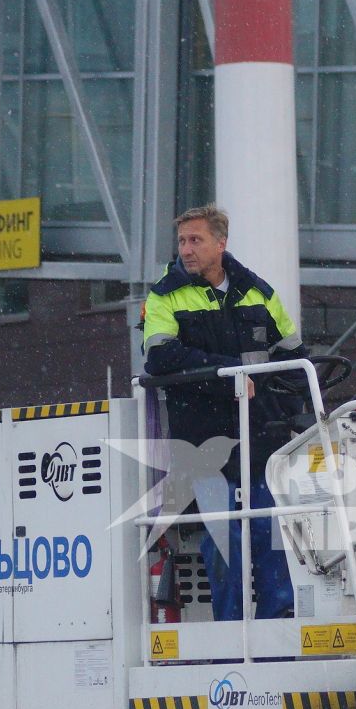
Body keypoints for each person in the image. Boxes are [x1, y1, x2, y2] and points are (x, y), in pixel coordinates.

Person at [142, 205, 305, 621]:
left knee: (272, 536)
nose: (186, 250)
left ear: (221, 243)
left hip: (263, 443)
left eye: (195, 240)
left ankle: (277, 632)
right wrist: (225, 376)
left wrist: (280, 413)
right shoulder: (164, 295)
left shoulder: (259, 291)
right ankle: (230, 637)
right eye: (182, 241)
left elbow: (294, 360)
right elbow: (159, 358)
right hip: (204, 447)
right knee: (225, 541)